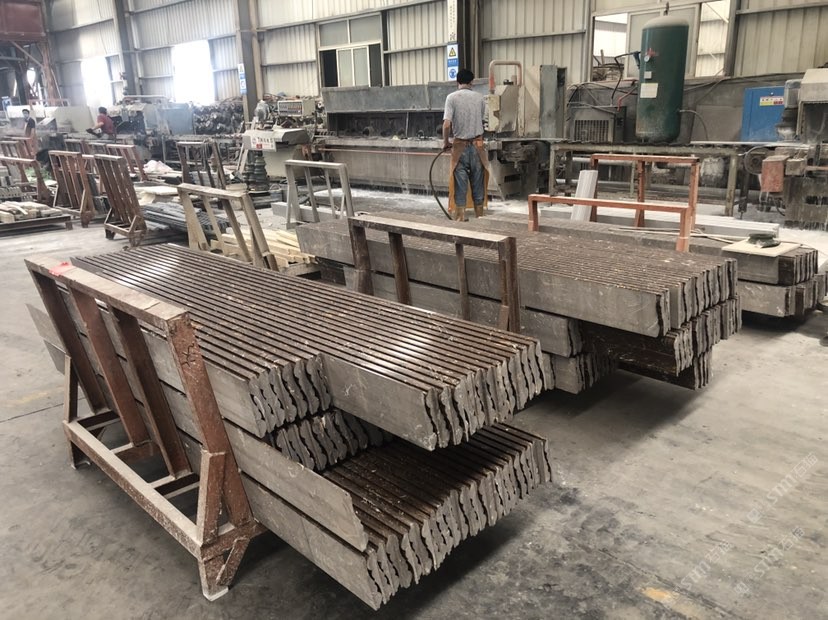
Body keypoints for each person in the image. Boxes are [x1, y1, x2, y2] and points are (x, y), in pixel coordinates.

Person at [442, 68, 489, 221]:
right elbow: (484, 120)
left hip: (459, 147)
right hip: (477, 146)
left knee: (460, 185)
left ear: (457, 81)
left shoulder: (451, 98)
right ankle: (480, 218)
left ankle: (460, 219)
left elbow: (447, 125)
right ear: (471, 82)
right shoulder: (480, 98)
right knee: (478, 183)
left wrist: (446, 142)